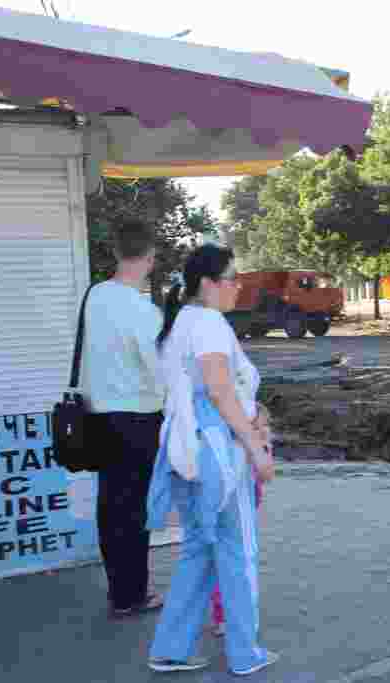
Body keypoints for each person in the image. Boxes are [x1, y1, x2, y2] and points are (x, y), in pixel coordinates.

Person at [145, 244, 278, 676]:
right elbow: (221, 392)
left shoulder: (181, 321)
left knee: (199, 551)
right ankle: (245, 652)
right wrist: (256, 447)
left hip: (186, 452)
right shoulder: (209, 323)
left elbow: (213, 390)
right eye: (232, 278)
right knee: (237, 551)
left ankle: (171, 648)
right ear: (208, 284)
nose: (238, 286)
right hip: (219, 453)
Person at [82, 219, 165, 619]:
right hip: (137, 420)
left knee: (110, 506)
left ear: (116, 252)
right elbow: (156, 369)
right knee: (134, 510)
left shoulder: (94, 296)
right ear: (149, 257)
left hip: (100, 418)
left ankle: (121, 590)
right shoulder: (142, 309)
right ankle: (133, 595)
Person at [209, 402, 272, 638]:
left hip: (230, 510)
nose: (268, 430)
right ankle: (227, 615)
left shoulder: (223, 448)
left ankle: (224, 614)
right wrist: (262, 447)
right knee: (233, 562)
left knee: (221, 560)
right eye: (264, 425)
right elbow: (266, 475)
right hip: (237, 513)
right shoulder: (247, 450)